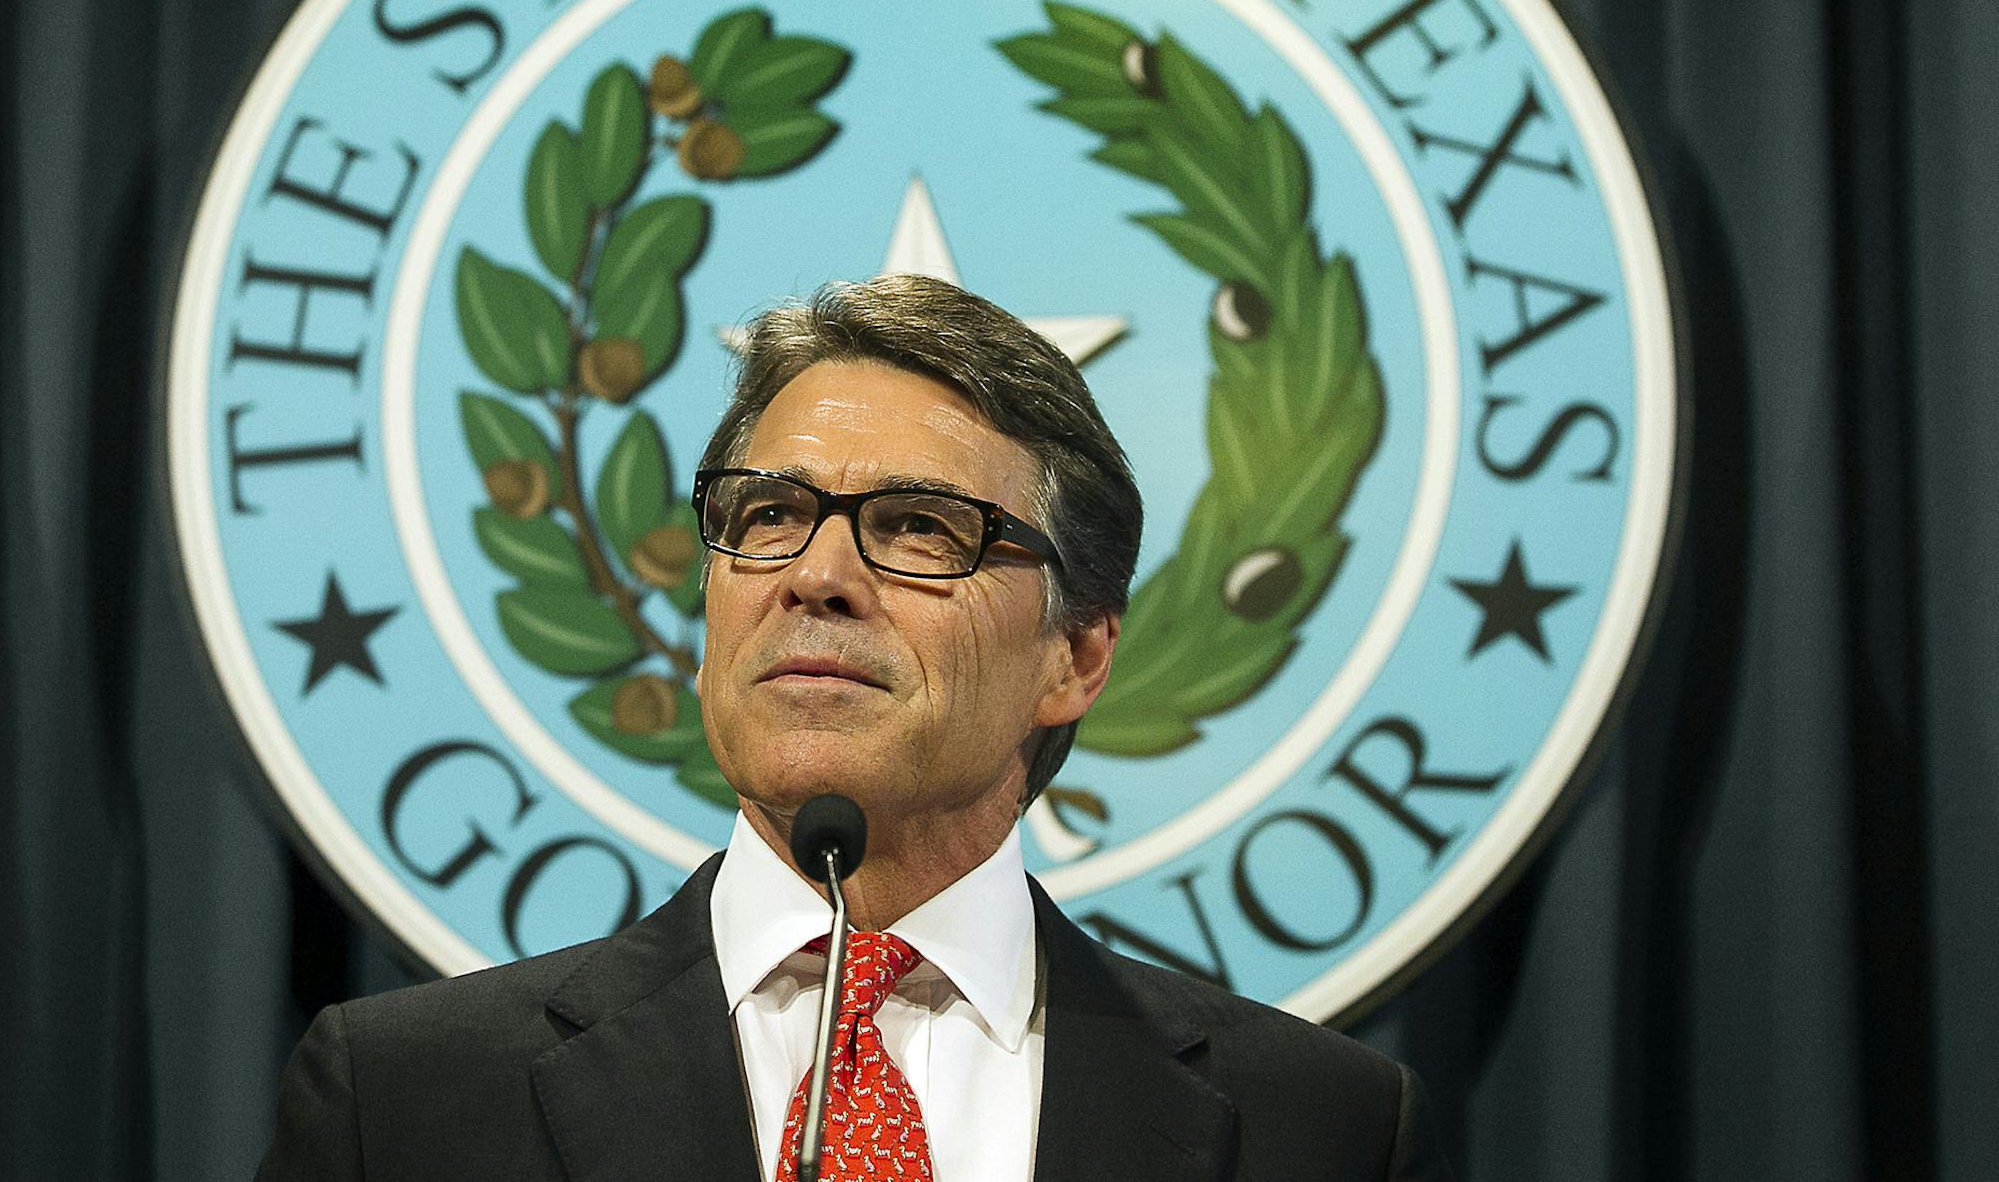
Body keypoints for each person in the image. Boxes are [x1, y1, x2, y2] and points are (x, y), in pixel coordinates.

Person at [258, 274, 1450, 1180]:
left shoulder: (1322, 1130)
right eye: (768, 512)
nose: (816, 574)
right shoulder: (406, 1105)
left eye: (921, 527)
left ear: (1077, 655)